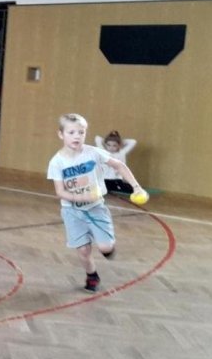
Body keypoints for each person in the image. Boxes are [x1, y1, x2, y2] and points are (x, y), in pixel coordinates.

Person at [48, 113, 146, 293]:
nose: (77, 136)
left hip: (96, 208)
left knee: (105, 248)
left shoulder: (94, 152)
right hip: (71, 212)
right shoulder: (57, 162)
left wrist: (136, 187)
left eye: (81, 132)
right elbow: (60, 192)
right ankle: (92, 275)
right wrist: (82, 197)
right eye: (71, 132)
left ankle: (107, 247)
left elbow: (120, 166)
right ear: (61, 134)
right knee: (83, 251)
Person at [95, 130, 137, 195]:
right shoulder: (103, 152)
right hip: (104, 180)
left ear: (119, 146)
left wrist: (120, 141)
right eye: (108, 145)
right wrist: (106, 140)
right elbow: (97, 138)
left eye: (114, 145)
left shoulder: (121, 153)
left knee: (132, 189)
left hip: (116, 180)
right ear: (105, 145)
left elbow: (133, 141)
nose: (111, 148)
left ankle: (110, 189)